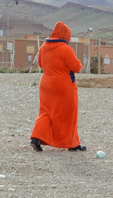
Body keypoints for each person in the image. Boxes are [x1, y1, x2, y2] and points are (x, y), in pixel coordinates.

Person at [30, 21, 85, 151]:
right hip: (63, 86)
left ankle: (36, 138)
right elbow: (76, 67)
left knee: (45, 112)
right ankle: (72, 144)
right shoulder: (66, 49)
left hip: (46, 85)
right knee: (68, 114)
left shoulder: (43, 47)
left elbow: (41, 65)